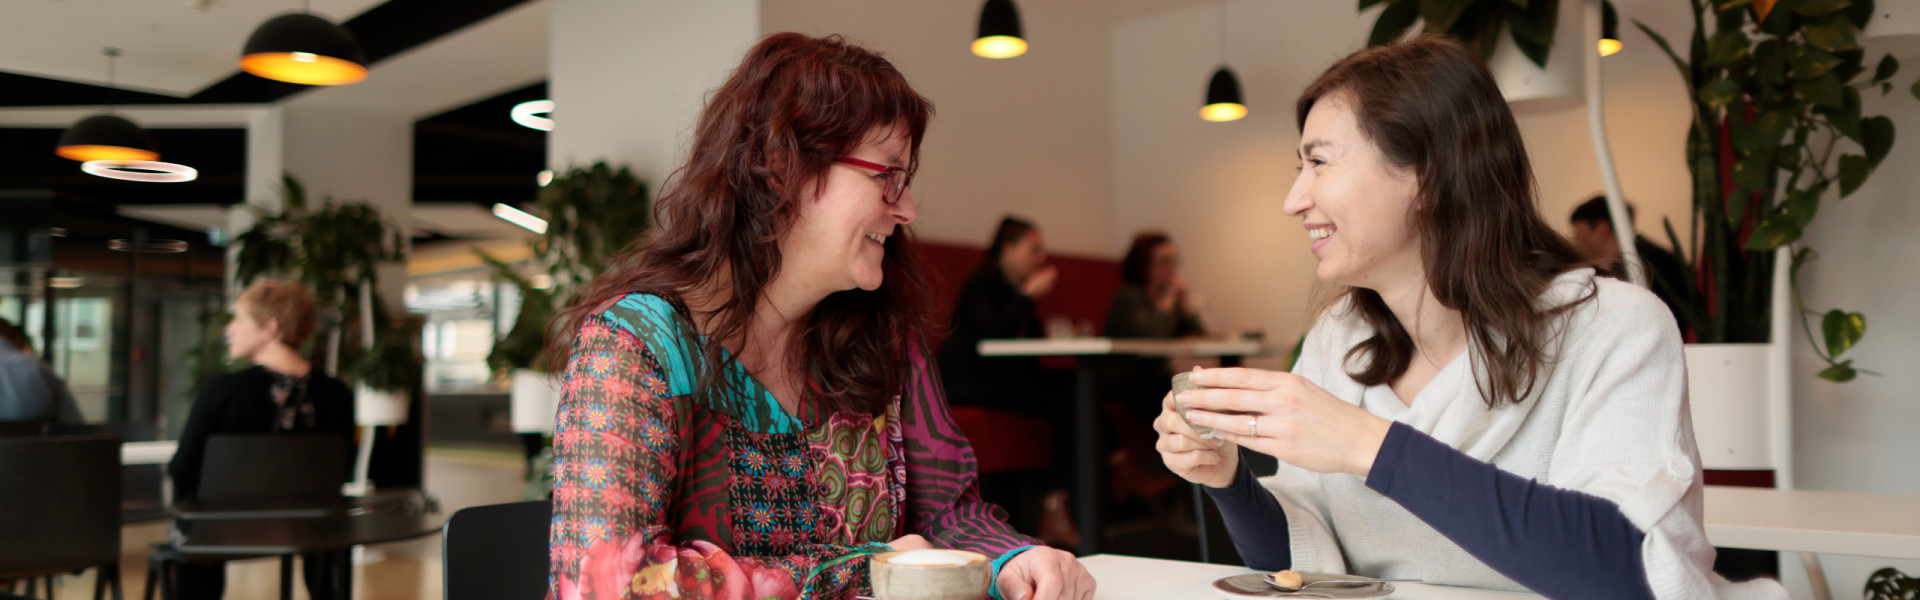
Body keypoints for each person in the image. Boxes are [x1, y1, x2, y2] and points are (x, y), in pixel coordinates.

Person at [1154, 37, 1786, 600]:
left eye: (1318, 162)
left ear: (1427, 173)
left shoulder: (1615, 327)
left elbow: (1630, 573)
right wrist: (1230, 481)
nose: (1295, 199)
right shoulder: (1341, 340)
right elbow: (1306, 570)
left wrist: (1364, 444)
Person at [544, 33, 1091, 600]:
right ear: (779, 169)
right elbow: (607, 585)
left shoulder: (883, 338)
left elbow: (948, 513)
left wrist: (1014, 558)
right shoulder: (637, 347)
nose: (905, 209)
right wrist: (866, 569)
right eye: (887, 175)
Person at [168, 280, 355, 600]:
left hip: (226, 530)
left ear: (270, 328)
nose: (229, 330)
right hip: (311, 529)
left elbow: (182, 470)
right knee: (330, 523)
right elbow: (343, 469)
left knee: (188, 522)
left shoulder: (222, 392)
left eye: (239, 319)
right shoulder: (337, 393)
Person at [935, 215, 1081, 548]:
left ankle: (1063, 501)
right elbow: (992, 336)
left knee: (1076, 390)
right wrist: (1028, 296)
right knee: (1072, 395)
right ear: (1008, 248)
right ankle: (1057, 505)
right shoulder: (982, 284)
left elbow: (1031, 348)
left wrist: (1026, 298)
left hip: (1001, 382)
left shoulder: (1015, 290)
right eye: (1034, 249)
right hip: (973, 385)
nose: (1041, 258)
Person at [1569, 195, 1689, 329]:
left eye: (1578, 231)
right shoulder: (1634, 257)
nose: (1575, 240)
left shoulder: (1649, 261)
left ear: (1602, 228)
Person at [0, 317, 82, 427]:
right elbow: (72, 420)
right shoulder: (37, 367)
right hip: (32, 442)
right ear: (17, 340)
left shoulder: (36, 366)